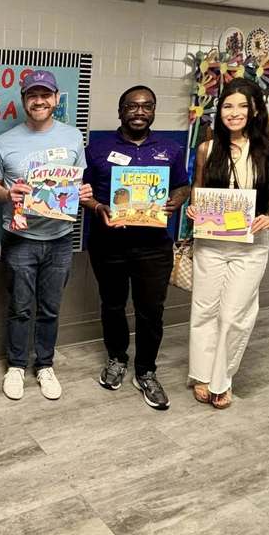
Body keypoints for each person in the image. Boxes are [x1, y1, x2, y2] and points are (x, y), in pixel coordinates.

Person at [186, 78, 269, 408]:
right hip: (210, 243)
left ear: (255, 111)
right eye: (227, 106)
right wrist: (195, 207)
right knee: (204, 310)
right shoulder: (207, 149)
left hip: (251, 245)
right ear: (219, 111)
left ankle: (222, 379)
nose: (234, 113)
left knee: (234, 315)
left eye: (242, 106)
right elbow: (199, 188)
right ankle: (202, 375)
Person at [0, 70, 92, 401]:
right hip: (20, 239)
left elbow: (77, 184)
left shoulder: (73, 137)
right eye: (32, 95)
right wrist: (8, 193)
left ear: (56, 99)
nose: (39, 101)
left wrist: (84, 193)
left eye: (45, 94)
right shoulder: (4, 142)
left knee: (50, 307)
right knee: (20, 307)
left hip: (60, 238)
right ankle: (17, 365)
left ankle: (45, 364)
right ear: (24, 100)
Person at [83, 85, 189, 411]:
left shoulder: (171, 149)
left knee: (151, 311)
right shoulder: (96, 149)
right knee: (112, 305)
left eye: (146, 106)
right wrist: (97, 207)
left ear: (154, 111)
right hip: (108, 244)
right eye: (132, 106)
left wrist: (176, 200)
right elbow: (82, 192)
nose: (139, 111)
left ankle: (146, 370)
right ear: (121, 111)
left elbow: (183, 186)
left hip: (154, 246)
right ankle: (117, 358)